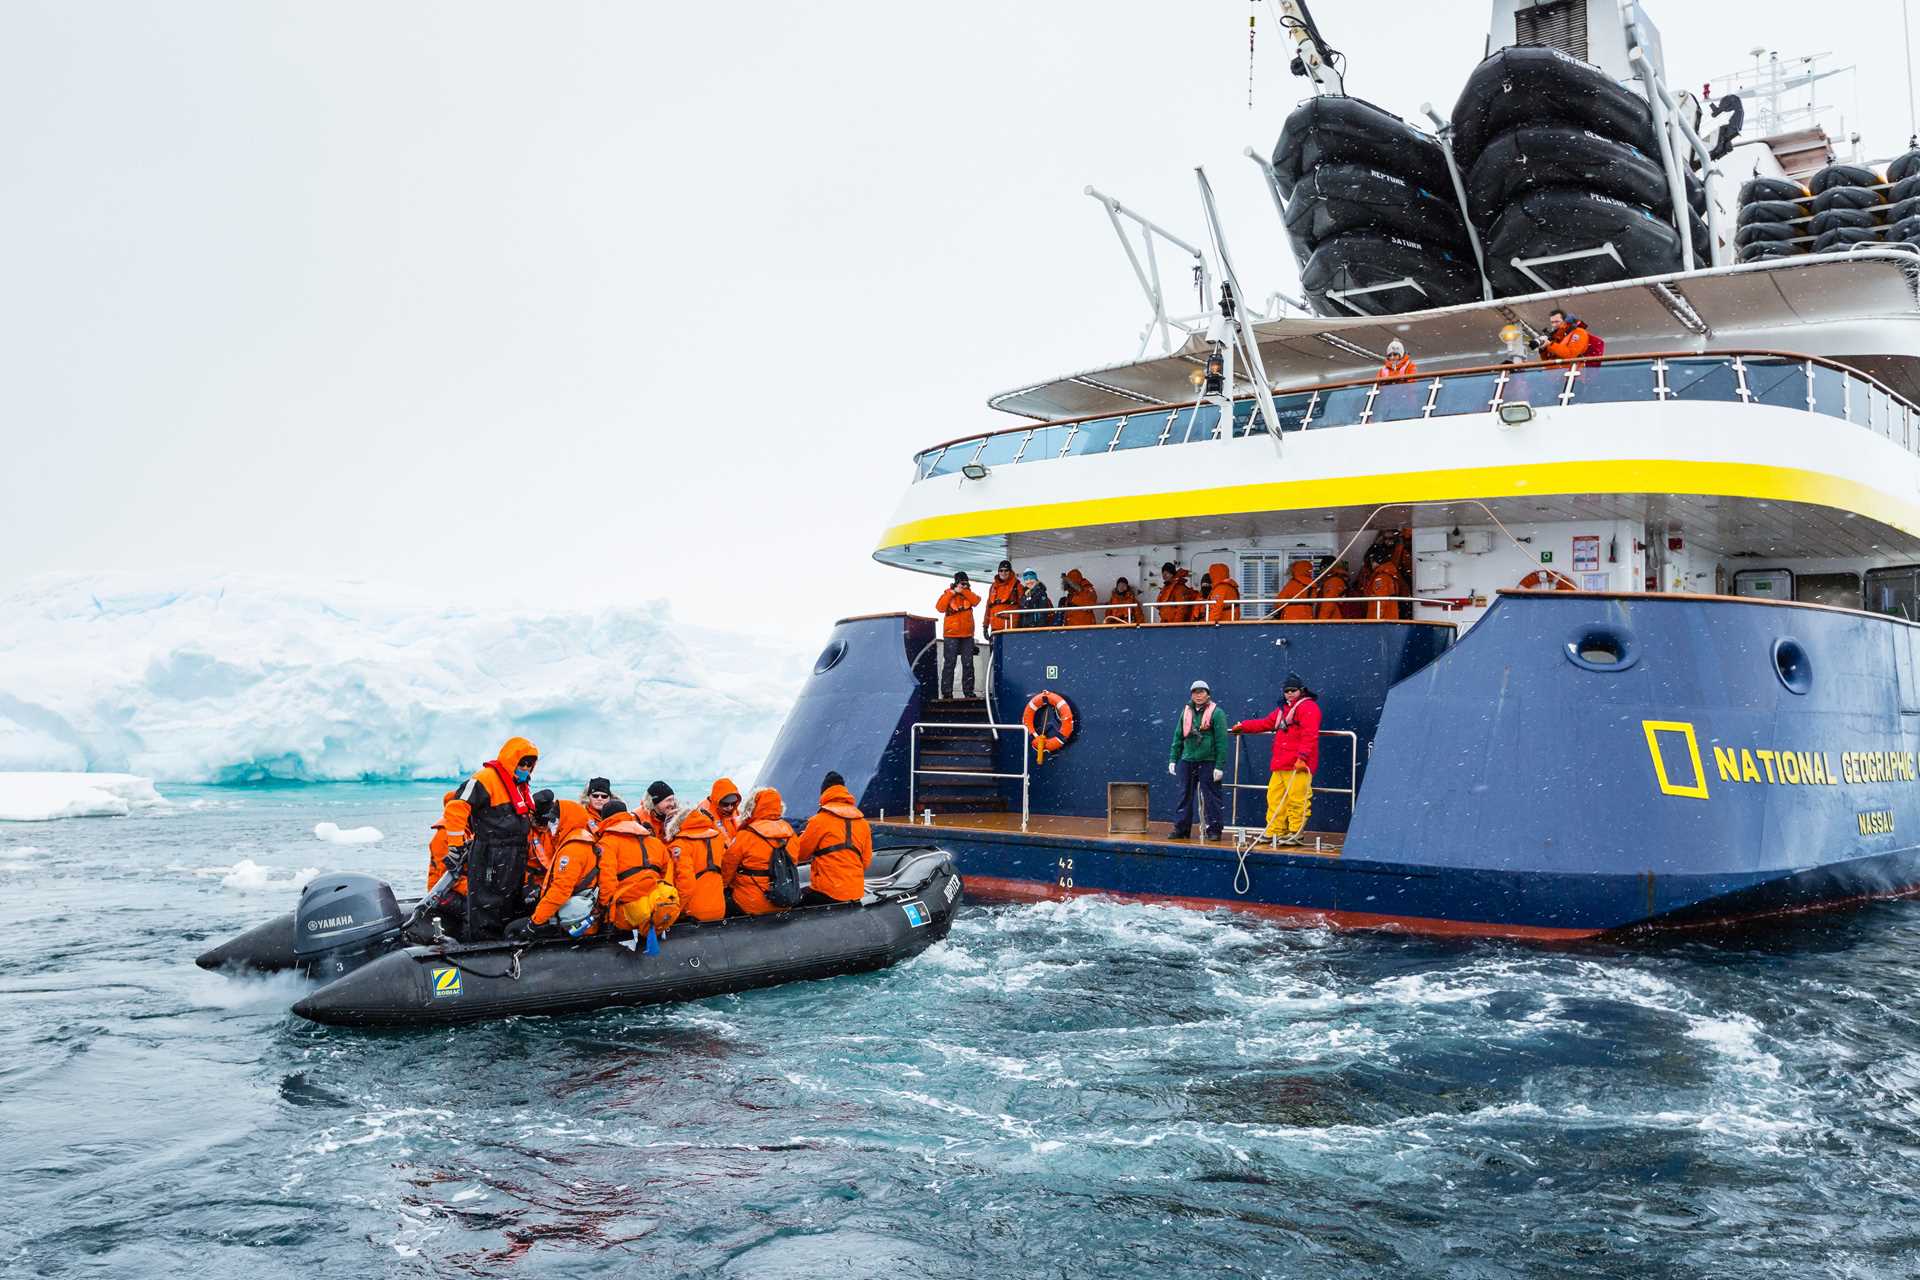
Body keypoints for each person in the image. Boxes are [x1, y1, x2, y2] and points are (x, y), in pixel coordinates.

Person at [440, 735, 539, 941]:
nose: (527, 768)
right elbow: (456, 807)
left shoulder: (520, 786)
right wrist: (455, 844)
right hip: (491, 852)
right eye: (523, 763)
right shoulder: (485, 779)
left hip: (515, 853)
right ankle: (482, 945)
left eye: (530, 764)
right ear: (512, 759)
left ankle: (504, 942)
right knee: (487, 902)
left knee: (509, 900)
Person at [1230, 673, 1321, 846]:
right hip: (1281, 764)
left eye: (1293, 690)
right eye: (1286, 691)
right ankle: (1275, 831)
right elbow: (1265, 723)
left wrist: (1302, 758)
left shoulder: (1308, 708)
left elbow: (1310, 735)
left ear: (1301, 690)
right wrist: (1244, 726)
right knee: (1275, 798)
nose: (1289, 693)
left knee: (1298, 799)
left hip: (1297, 765)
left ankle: (1296, 833)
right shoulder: (1282, 710)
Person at [518, 798, 605, 940]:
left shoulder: (572, 850)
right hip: (581, 912)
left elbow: (561, 890)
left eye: (554, 820)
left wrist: (534, 922)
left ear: (566, 820)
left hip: (573, 920)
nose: (550, 824)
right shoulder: (583, 840)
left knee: (513, 930)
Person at [598, 798, 681, 936]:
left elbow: (607, 883)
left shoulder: (607, 843)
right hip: (657, 905)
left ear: (605, 820)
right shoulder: (655, 842)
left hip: (629, 914)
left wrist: (607, 917)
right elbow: (668, 874)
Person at [791, 771, 874, 906]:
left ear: (824, 793)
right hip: (856, 893)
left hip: (827, 893)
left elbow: (800, 854)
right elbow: (866, 862)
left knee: (792, 902)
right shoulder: (863, 823)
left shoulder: (819, 820)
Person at [1167, 680, 1229, 841]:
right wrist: (1173, 758)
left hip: (1208, 761)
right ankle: (1182, 828)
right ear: (1191, 695)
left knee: (1211, 797)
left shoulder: (1217, 713)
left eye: (1202, 692)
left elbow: (1222, 742)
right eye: (1195, 692)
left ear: (1208, 694)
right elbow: (1178, 736)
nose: (1198, 695)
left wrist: (1219, 766)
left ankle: (1214, 830)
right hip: (1188, 760)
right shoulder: (1185, 712)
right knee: (1184, 795)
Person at [723, 787, 797, 916]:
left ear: (754, 806)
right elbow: (794, 860)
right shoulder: (790, 833)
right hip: (784, 899)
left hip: (751, 903)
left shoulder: (746, 834)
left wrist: (723, 887)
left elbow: (728, 867)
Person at [668, 803, 730, 922]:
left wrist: (675, 910)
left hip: (693, 912)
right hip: (719, 907)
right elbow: (726, 868)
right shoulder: (718, 838)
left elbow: (686, 884)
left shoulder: (681, 845)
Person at [936, 571, 981, 698]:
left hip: (967, 635)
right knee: (950, 663)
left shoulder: (969, 594)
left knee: (968, 664)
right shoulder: (948, 593)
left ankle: (968, 692)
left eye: (965, 582)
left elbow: (976, 601)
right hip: (951, 635)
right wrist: (953, 592)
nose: (963, 584)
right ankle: (947, 693)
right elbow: (940, 607)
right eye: (961, 582)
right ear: (955, 582)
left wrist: (963, 591)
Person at [985, 560, 1022, 634]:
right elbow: (988, 607)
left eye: (1006, 570)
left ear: (1010, 571)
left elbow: (1023, 606)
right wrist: (985, 626)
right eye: (1001, 570)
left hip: (1011, 627)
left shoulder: (1017, 586)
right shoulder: (993, 587)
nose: (1003, 573)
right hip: (995, 628)